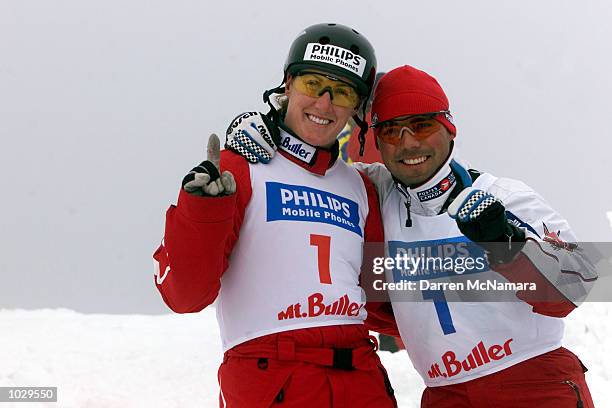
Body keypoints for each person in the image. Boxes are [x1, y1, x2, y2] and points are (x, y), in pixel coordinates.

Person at [226, 65, 598, 407]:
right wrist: (265, 130)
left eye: (421, 126)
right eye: (390, 130)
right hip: (444, 396)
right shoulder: (375, 194)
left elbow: (577, 284)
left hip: (531, 385)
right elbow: (313, 164)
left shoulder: (505, 196)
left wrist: (507, 244)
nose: (407, 143)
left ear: (448, 128)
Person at [153, 23, 397, 407]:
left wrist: (498, 287)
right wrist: (202, 211)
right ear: (288, 84)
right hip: (273, 378)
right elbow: (185, 296)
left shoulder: (360, 186)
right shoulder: (239, 168)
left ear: (357, 107)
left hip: (360, 379)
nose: (325, 103)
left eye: (344, 91)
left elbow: (387, 303)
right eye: (313, 84)